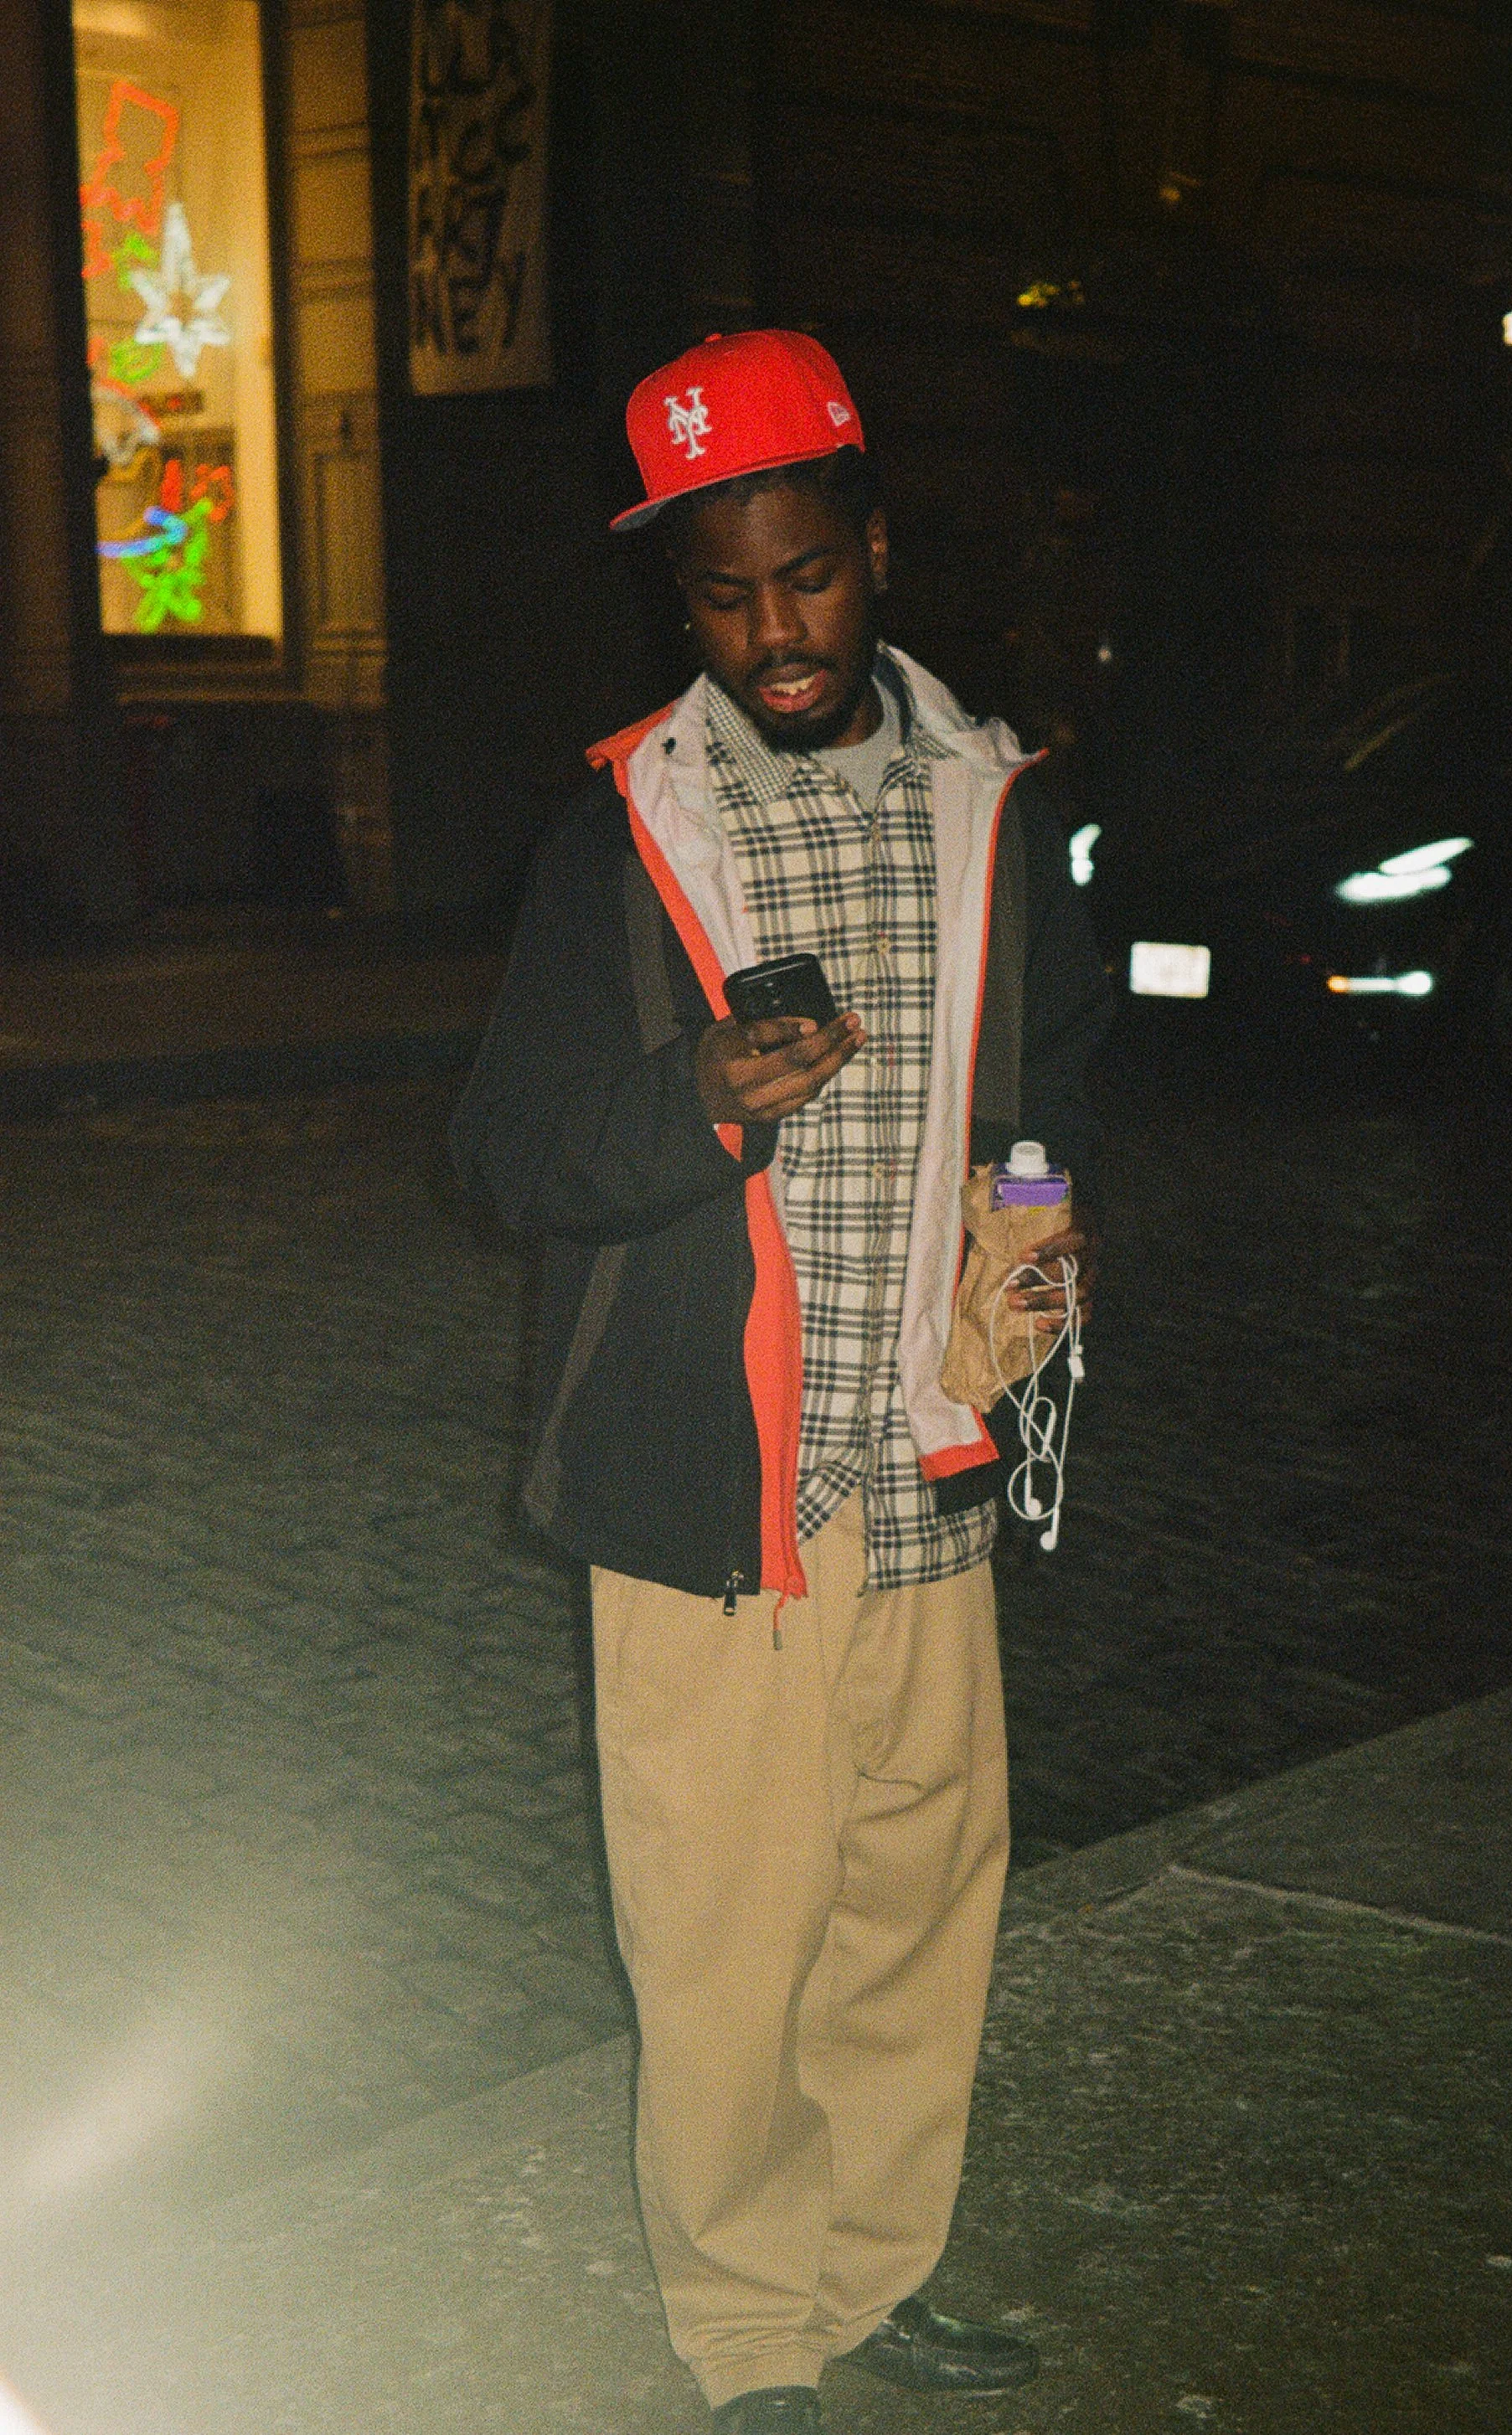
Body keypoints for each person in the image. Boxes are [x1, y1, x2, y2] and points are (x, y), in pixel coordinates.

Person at [452, 329, 1112, 2433]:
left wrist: (1038, 1227)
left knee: (915, 1904)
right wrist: (703, 1100)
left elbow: (1042, 1084)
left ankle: (872, 2267)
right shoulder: (620, 833)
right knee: (726, 1942)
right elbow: (510, 1160)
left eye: (807, 576)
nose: (775, 632)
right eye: (725, 595)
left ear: (873, 547)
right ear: (683, 596)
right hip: (711, 1489)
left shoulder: (989, 794)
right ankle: (749, 2335)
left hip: (927, 1456)